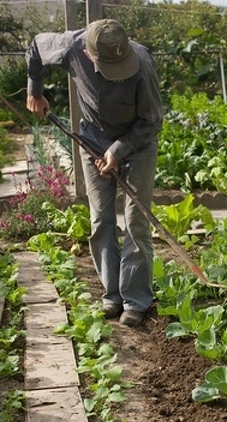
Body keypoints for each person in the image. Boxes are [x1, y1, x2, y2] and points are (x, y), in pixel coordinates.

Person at [26, 19, 164, 327]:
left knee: (136, 221)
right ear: (89, 55)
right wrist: (35, 90)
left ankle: (136, 300)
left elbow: (152, 121)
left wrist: (117, 151)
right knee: (101, 219)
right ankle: (113, 295)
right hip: (92, 141)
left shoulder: (141, 64)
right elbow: (35, 47)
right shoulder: (71, 46)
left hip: (137, 144)